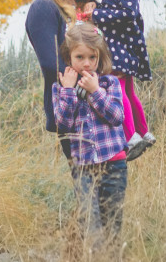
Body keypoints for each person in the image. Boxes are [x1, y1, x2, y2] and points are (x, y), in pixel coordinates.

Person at [52, 22, 128, 246]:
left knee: (112, 222)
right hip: (83, 167)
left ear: (99, 57)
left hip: (114, 164)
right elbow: (63, 124)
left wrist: (95, 92)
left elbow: (116, 116)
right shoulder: (61, 87)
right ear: (68, 57)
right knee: (90, 222)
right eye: (79, 57)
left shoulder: (109, 83)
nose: (86, 63)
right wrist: (68, 90)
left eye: (92, 57)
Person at [81, 0, 155, 161]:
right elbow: (113, 9)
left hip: (122, 49)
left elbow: (128, 13)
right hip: (118, 48)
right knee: (129, 92)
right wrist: (97, 6)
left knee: (119, 90)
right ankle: (144, 133)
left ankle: (131, 136)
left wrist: (97, 14)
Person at [25, 0, 99, 159]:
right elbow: (51, 64)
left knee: (112, 183)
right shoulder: (45, 7)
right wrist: (90, 82)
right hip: (72, 109)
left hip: (102, 105)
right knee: (88, 185)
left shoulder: (90, 8)